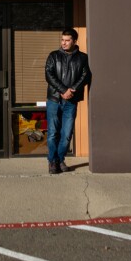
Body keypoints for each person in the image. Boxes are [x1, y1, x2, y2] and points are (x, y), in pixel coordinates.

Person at [44, 27, 91, 174]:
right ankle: (53, 162)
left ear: (74, 41)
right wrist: (63, 90)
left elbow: (86, 76)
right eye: (62, 40)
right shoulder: (53, 56)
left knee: (66, 134)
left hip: (71, 101)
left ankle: (60, 158)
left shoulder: (83, 58)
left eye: (67, 40)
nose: (64, 43)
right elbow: (48, 74)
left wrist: (73, 89)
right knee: (52, 132)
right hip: (54, 99)